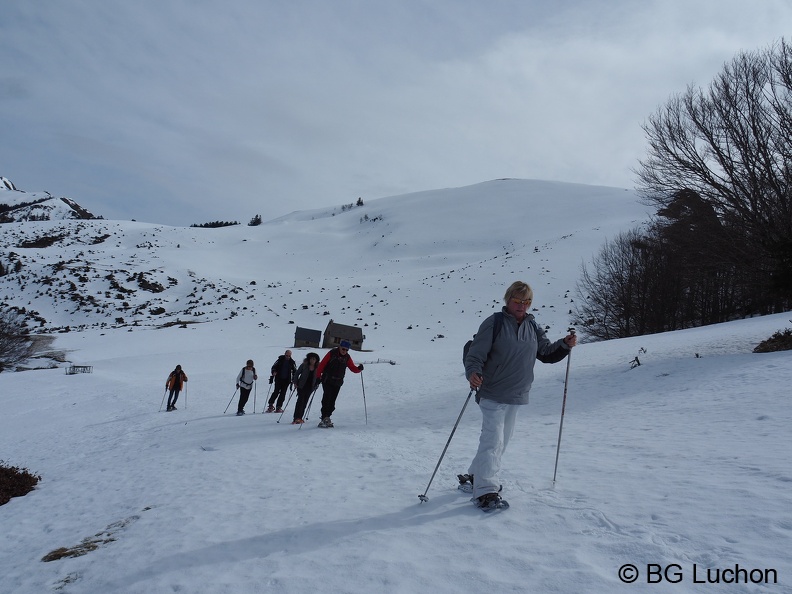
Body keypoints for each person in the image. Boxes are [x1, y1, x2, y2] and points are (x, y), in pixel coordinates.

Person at [463, 281, 576, 510]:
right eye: (518, 300)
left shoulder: (533, 326)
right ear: (508, 299)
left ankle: (476, 474)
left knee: (501, 440)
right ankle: (486, 490)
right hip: (492, 390)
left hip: (516, 392)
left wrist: (564, 344)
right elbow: (475, 353)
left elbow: (545, 353)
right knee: (493, 439)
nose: (522, 305)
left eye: (527, 302)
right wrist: (473, 372)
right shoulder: (493, 323)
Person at [314, 340, 363, 428]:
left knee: (332, 401)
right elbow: (322, 365)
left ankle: (327, 417)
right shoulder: (332, 353)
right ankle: (324, 417)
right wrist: (318, 377)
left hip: (338, 382)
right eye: (343, 349)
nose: (344, 351)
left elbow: (352, 368)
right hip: (327, 380)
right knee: (327, 398)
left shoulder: (347, 357)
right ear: (339, 347)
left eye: (347, 350)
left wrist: (359, 369)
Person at [292, 352, 320, 424]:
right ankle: (296, 417)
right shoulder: (304, 365)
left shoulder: (317, 368)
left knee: (305, 402)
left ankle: (300, 417)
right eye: (311, 359)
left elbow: (319, 376)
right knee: (300, 401)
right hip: (301, 386)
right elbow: (297, 373)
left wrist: (318, 383)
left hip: (310, 387)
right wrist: (295, 382)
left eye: (314, 359)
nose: (312, 360)